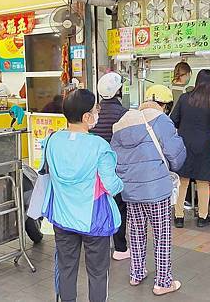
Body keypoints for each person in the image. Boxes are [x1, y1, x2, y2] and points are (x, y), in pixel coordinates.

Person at [41, 89, 124, 302]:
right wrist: (121, 183)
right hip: (94, 221)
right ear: (87, 117)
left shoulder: (52, 140)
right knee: (97, 272)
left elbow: (47, 171)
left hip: (62, 217)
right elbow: (111, 186)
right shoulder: (99, 146)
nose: (98, 112)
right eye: (96, 109)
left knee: (66, 268)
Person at [111, 85, 186, 296]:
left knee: (135, 232)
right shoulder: (162, 121)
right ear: (165, 105)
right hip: (156, 190)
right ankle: (163, 281)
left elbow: (117, 159)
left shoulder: (124, 122)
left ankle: (137, 272)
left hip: (131, 190)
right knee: (162, 235)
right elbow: (176, 156)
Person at [171, 69, 210, 228]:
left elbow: (173, 120)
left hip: (185, 143)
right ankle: (203, 217)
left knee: (183, 180)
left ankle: (179, 216)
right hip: (205, 145)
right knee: (203, 181)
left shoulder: (184, 98)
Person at [89, 72, 130, 261]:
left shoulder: (93, 114)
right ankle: (120, 247)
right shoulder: (123, 115)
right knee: (120, 206)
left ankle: (99, 245)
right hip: (115, 169)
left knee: (99, 205)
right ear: (118, 91)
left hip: (95, 170)